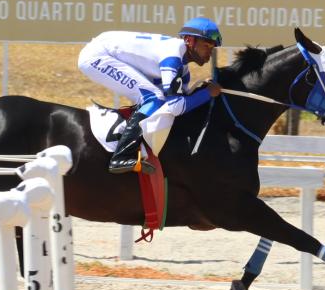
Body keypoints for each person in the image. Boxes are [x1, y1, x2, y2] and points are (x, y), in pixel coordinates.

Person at [78, 16, 224, 174]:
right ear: (189, 40)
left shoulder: (184, 70)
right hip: (98, 56)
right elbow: (175, 106)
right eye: (207, 45)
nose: (209, 53)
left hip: (109, 49)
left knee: (157, 98)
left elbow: (181, 101)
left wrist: (202, 90)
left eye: (212, 48)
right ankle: (121, 156)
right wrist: (208, 93)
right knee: (153, 97)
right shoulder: (172, 59)